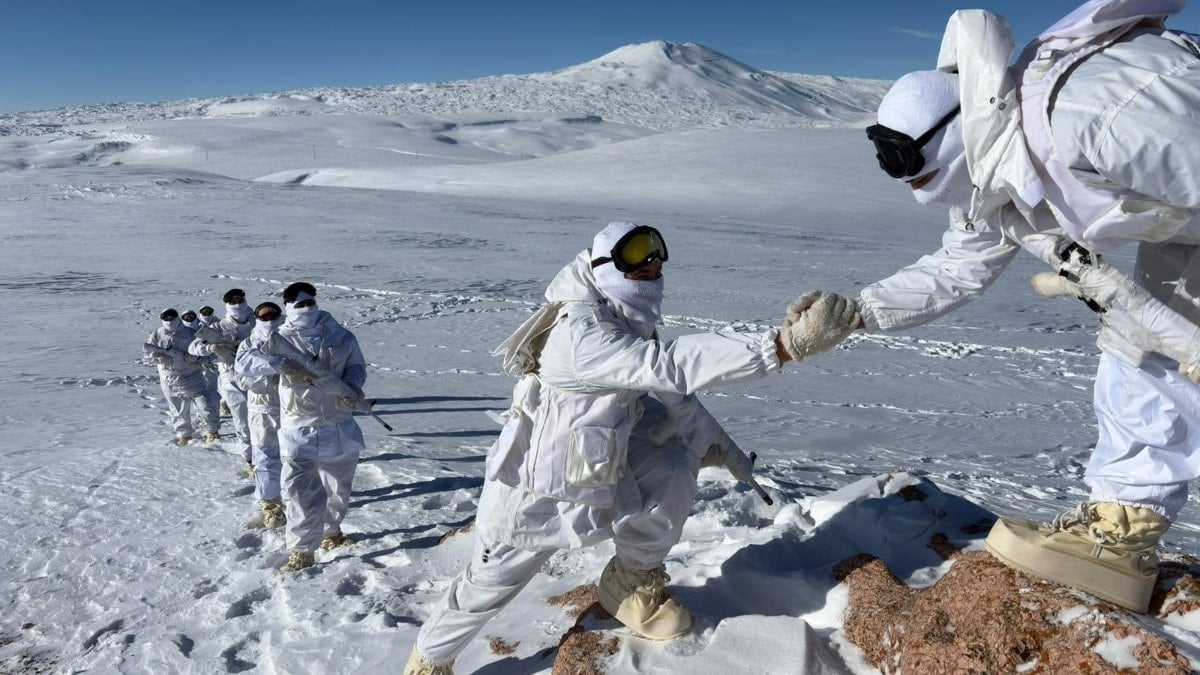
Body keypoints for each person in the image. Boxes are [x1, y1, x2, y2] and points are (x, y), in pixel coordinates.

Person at [857, 0, 1200, 613]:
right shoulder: (996, 165)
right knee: (1140, 341)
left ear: (955, 126)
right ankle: (1118, 535)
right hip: (1188, 228)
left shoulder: (1099, 113)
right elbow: (960, 264)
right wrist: (856, 312)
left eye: (906, 160)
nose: (902, 178)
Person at [403, 222, 861, 674]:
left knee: (674, 459)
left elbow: (673, 395)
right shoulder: (582, 333)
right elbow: (666, 367)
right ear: (602, 267)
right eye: (635, 255)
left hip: (595, 462)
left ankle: (629, 583)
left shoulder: (621, 316)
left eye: (656, 254)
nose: (650, 264)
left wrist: (718, 446)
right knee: (490, 585)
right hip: (535, 491)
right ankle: (430, 659)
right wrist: (782, 345)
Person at [237, 282, 370, 573]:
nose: (306, 309)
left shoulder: (339, 334)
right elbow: (244, 363)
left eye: (310, 303)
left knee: (338, 490)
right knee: (298, 493)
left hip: (339, 426)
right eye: (299, 305)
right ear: (288, 307)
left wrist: (352, 386)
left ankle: (331, 533)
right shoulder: (275, 337)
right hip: (299, 429)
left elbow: (357, 365)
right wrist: (279, 364)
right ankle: (302, 551)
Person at [234, 301, 287, 529]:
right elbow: (240, 377)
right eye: (263, 317)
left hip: (294, 409)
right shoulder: (249, 343)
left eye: (273, 316)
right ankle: (271, 506)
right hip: (262, 411)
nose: (269, 321)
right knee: (266, 460)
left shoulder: (291, 339)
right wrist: (267, 375)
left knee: (297, 459)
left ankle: (299, 500)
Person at [189, 289, 255, 466]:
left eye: (240, 299)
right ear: (227, 304)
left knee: (268, 421)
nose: (238, 304)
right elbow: (193, 347)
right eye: (233, 301)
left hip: (260, 378)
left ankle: (274, 460)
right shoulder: (219, 327)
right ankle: (251, 462)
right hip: (231, 379)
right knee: (243, 424)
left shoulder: (259, 320)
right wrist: (213, 348)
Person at [143, 308, 220, 446]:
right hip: (169, 380)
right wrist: (158, 357)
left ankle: (212, 431)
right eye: (166, 318)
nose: (169, 320)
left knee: (205, 407)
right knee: (178, 411)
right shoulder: (156, 334)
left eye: (172, 317)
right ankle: (184, 435)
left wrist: (194, 359)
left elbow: (204, 350)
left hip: (192, 377)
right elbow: (147, 354)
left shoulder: (190, 332)